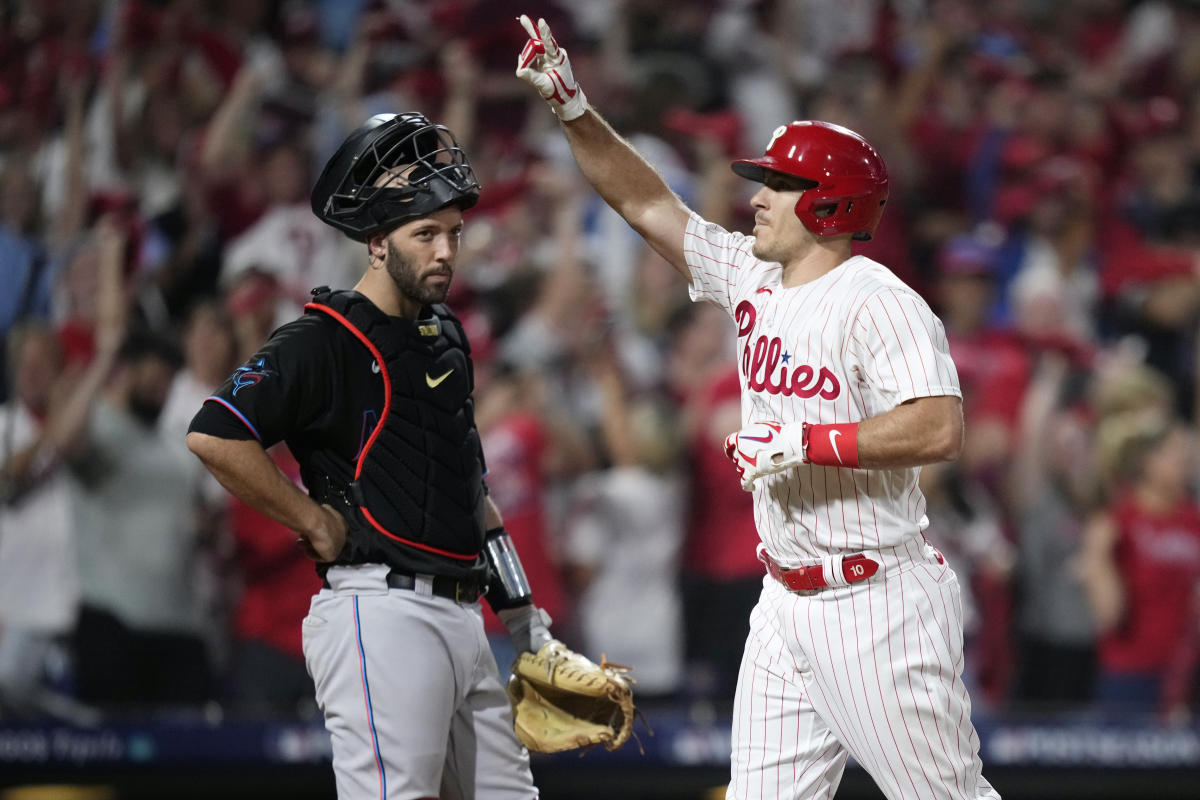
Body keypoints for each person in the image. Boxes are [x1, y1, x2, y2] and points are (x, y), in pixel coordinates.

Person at [514, 15, 999, 799]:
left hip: (872, 600)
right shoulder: (750, 275)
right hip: (781, 601)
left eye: (780, 183)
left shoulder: (880, 301)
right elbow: (644, 204)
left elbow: (939, 426)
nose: (760, 195)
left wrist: (811, 441)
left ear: (832, 205)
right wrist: (573, 107)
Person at [187, 112, 549, 800]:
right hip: (379, 611)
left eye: (454, 233)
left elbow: (469, 490)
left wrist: (528, 620)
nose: (446, 251)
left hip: (464, 614)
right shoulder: (319, 338)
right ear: (377, 242)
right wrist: (309, 519)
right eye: (426, 234)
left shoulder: (446, 334)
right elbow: (214, 432)